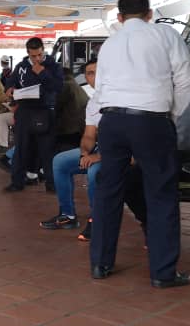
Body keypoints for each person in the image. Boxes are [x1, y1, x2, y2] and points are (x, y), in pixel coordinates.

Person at [90, 0, 190, 289]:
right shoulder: (164, 34)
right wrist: (170, 114)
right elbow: (186, 79)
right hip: (151, 120)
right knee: (160, 193)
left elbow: (100, 89)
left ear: (119, 17)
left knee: (108, 191)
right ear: (149, 14)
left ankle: (100, 263)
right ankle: (162, 273)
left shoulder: (109, 44)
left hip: (111, 120)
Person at [38, 58, 146, 238]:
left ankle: (97, 220)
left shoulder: (123, 99)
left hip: (126, 153)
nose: (94, 77)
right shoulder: (94, 102)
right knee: (60, 161)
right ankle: (68, 215)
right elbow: (89, 135)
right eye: (89, 73)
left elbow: (128, 141)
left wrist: (97, 157)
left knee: (95, 171)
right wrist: (85, 152)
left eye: (98, 72)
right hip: (102, 149)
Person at [5, 37, 63, 193]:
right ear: (28, 53)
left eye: (39, 55)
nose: (37, 59)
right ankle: (17, 182)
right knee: (21, 148)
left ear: (43, 50)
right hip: (24, 111)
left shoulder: (54, 66)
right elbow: (11, 81)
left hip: (45, 111)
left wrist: (43, 73)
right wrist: (10, 88)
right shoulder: (21, 66)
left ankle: (51, 184)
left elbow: (58, 87)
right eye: (33, 56)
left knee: (47, 150)